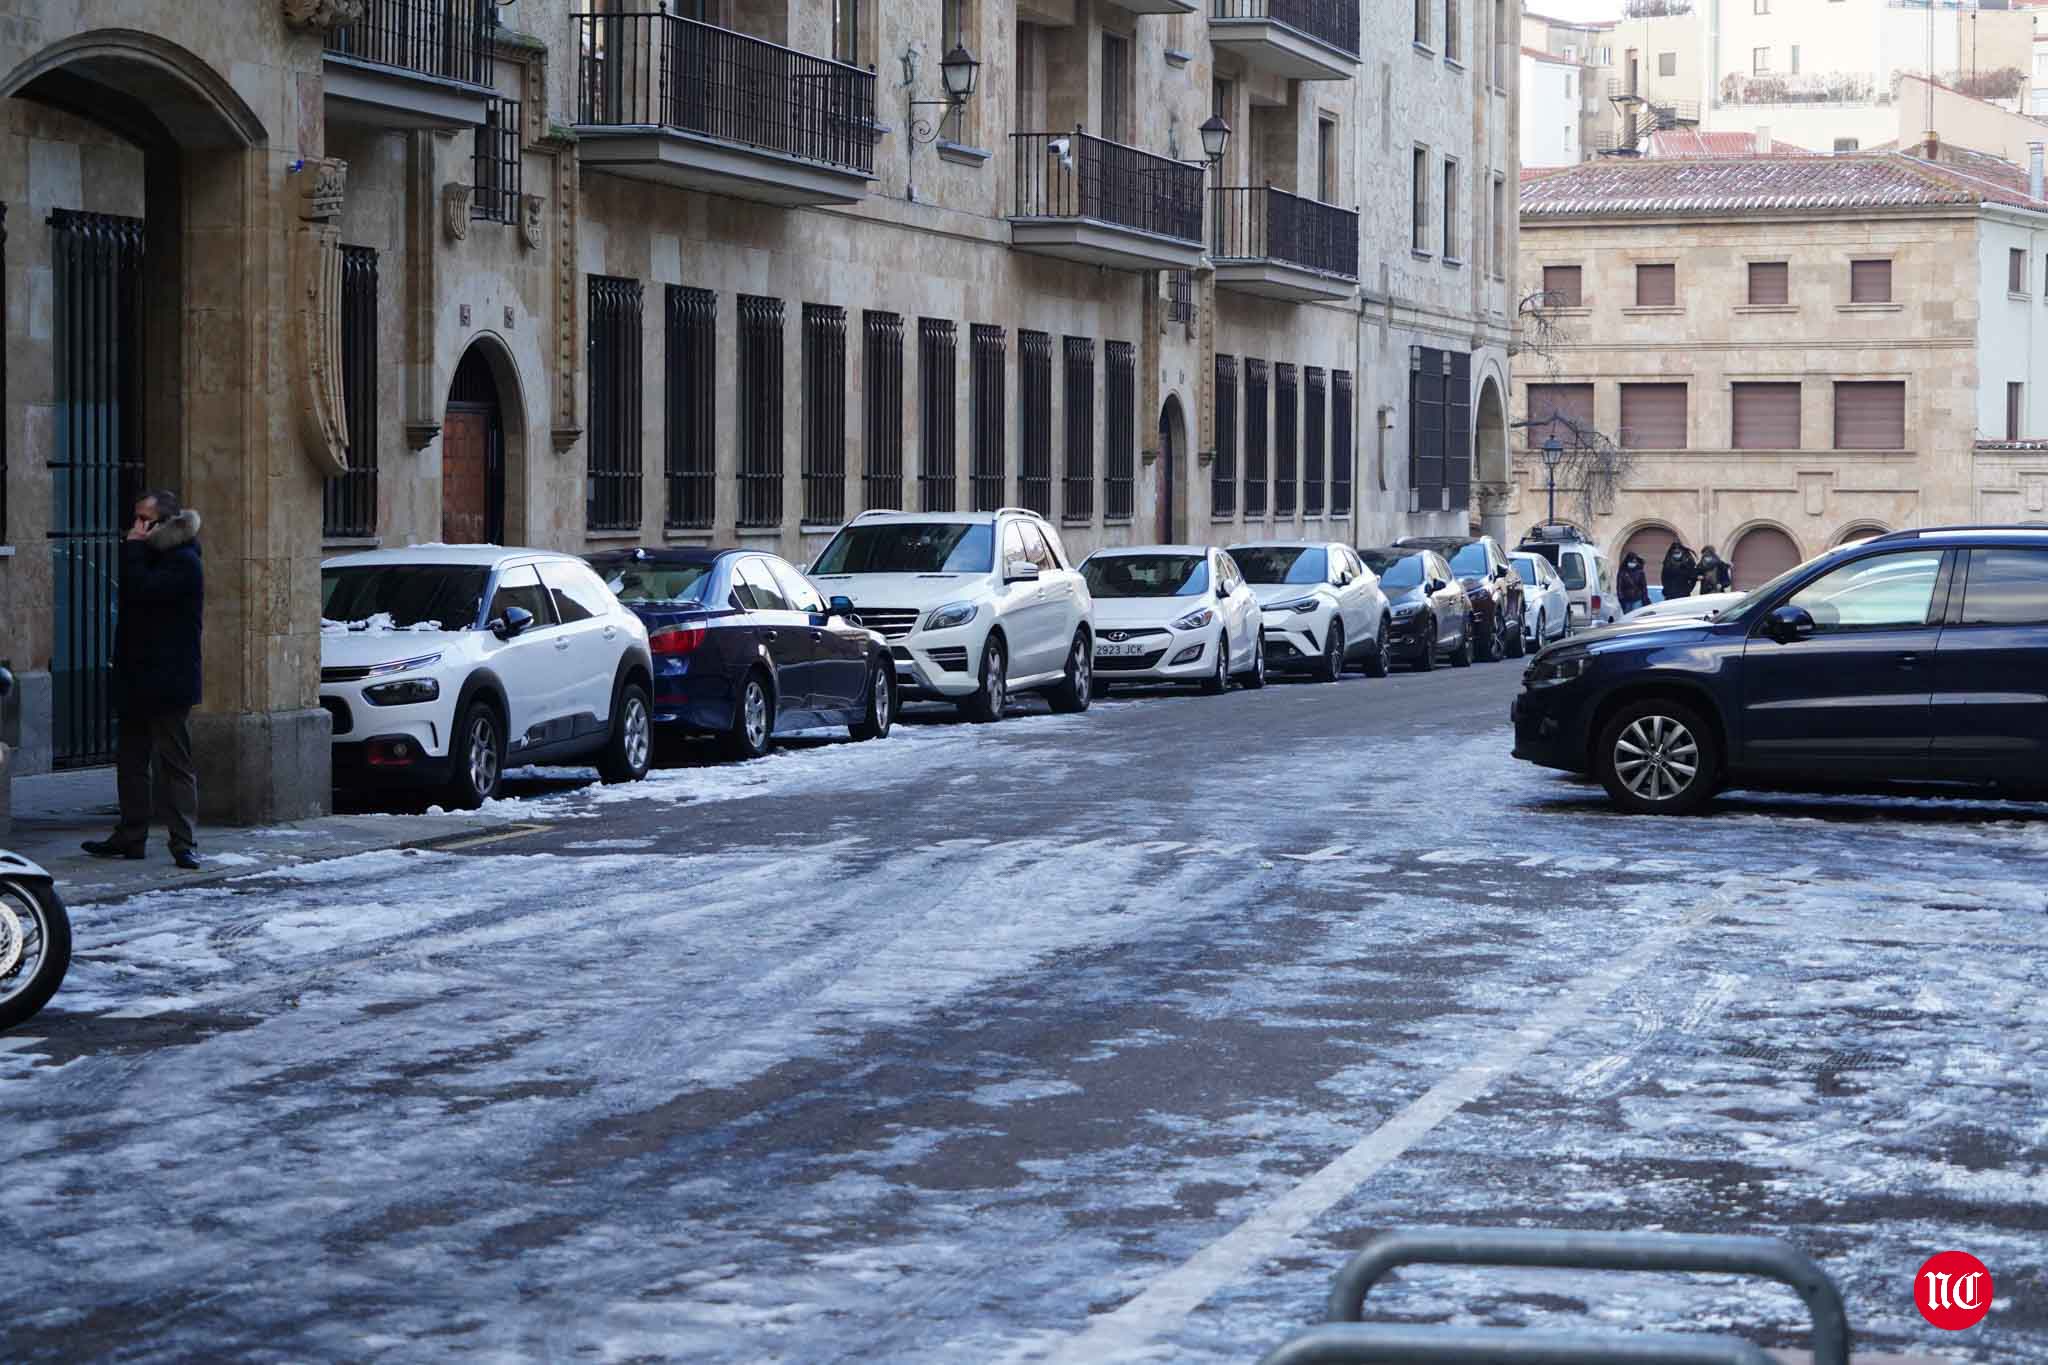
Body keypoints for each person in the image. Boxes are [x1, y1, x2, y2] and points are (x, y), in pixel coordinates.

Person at [83, 490, 204, 871]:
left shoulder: (184, 560)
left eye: (144, 520)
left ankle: (183, 842)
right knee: (131, 761)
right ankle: (130, 835)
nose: (135, 527)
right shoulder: (150, 555)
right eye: (135, 518)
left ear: (164, 523)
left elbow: (144, 589)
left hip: (169, 679)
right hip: (137, 676)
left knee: (174, 764)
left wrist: (133, 550)